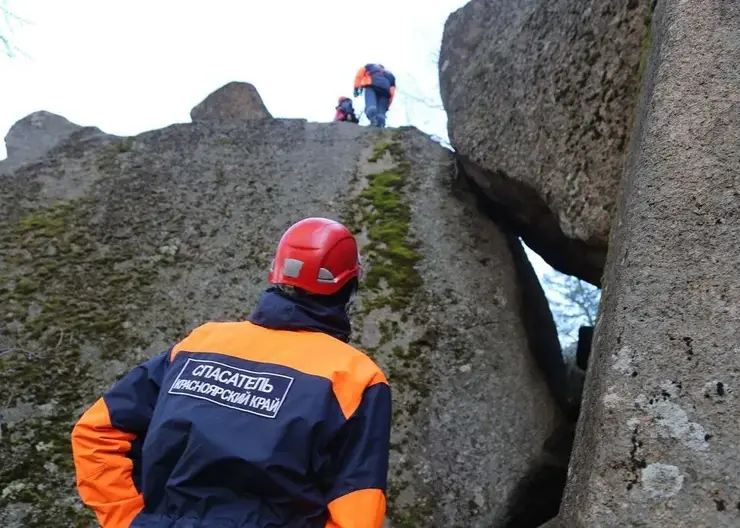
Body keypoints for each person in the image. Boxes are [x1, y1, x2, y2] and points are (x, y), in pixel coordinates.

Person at [70, 217, 392, 528]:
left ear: (276, 277)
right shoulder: (356, 377)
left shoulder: (202, 342)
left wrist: (131, 520)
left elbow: (96, 432)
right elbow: (357, 510)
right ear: (349, 289)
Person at [353, 63, 396, 128]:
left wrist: (356, 88)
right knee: (381, 111)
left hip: (371, 85)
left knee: (371, 105)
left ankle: (373, 119)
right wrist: (387, 106)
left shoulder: (369, 66)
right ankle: (380, 125)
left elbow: (359, 75)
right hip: (386, 91)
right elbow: (392, 91)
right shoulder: (390, 75)